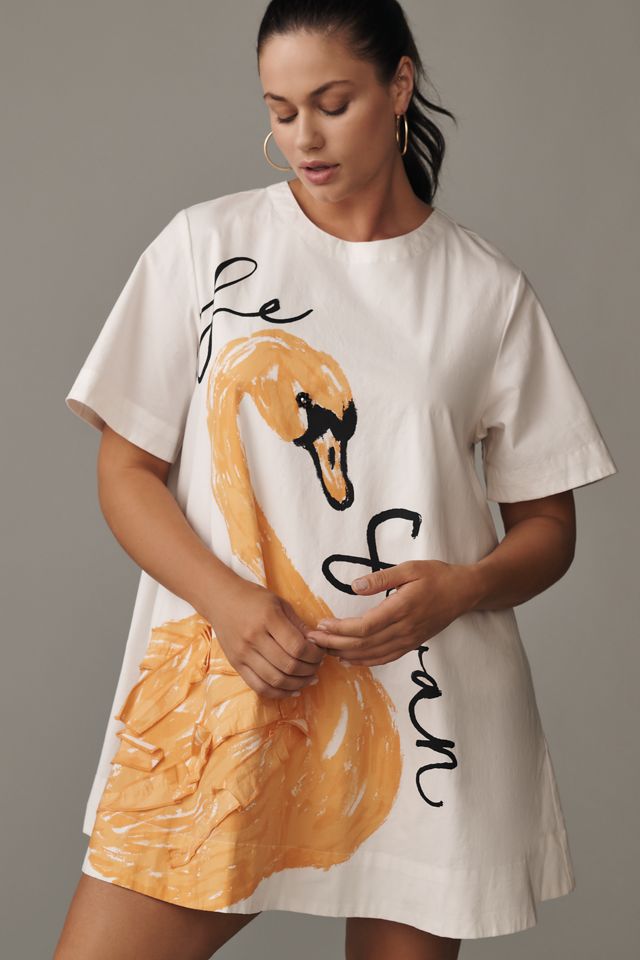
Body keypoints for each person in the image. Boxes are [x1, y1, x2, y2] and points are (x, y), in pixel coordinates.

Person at [54, 2, 618, 958]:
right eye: (280, 112)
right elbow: (127, 469)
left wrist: (463, 588)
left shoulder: (484, 291)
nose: (303, 138)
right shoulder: (205, 249)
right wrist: (228, 600)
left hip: (426, 709)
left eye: (331, 103)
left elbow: (548, 528)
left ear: (399, 86)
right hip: (230, 687)